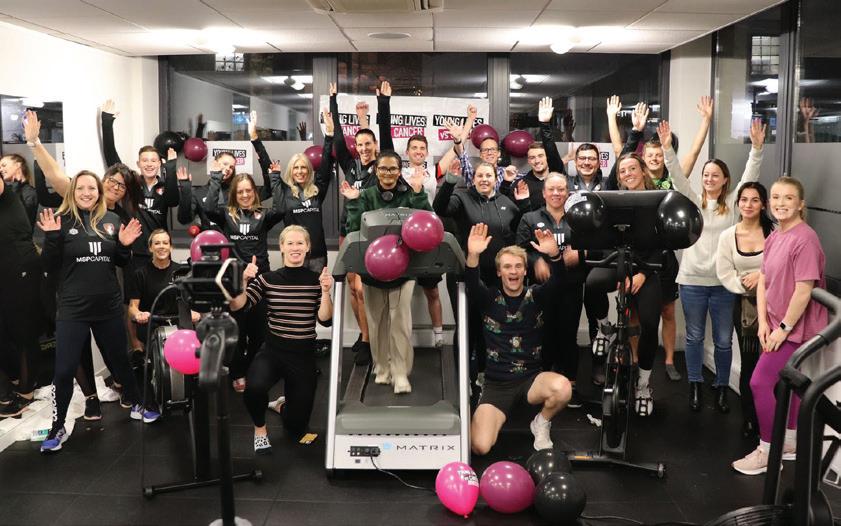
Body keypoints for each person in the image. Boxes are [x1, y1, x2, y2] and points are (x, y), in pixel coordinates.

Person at [37, 172, 159, 453]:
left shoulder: (111, 220)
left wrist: (125, 247)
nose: (86, 192)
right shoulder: (61, 220)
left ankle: (138, 403)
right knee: (64, 370)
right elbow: (48, 266)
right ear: (72, 191)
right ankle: (58, 426)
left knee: (120, 362)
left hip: (107, 306)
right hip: (73, 309)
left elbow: (119, 262)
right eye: (81, 188)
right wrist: (52, 238)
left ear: (99, 191)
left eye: (91, 188)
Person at [661, 118, 765, 412]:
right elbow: (677, 176)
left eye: (715, 175)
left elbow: (750, 177)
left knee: (722, 341)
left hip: (723, 285)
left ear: (724, 180)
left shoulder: (733, 205)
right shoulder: (693, 201)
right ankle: (695, 384)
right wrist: (668, 149)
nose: (709, 178)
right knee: (694, 337)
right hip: (692, 282)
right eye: (706, 174)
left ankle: (720, 387)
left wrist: (757, 149)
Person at [732, 177, 827, 475]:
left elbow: (803, 291)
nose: (780, 203)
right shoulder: (775, 236)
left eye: (788, 198)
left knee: (759, 383)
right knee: (789, 382)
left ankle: (767, 451)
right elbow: (763, 281)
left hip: (795, 329)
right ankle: (790, 442)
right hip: (773, 324)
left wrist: (782, 328)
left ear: (800, 204)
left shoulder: (805, 239)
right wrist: (763, 322)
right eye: (775, 197)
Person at [466, 223, 572, 454]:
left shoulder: (537, 296)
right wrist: (473, 255)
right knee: (480, 446)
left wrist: (555, 256)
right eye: (507, 267)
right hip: (497, 385)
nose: (513, 272)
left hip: (531, 380)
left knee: (563, 388)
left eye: (518, 266)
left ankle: (541, 422)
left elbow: (559, 282)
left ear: (525, 271)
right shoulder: (489, 299)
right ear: (499, 272)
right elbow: (472, 285)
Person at [229, 225, 333, 454]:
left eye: (300, 243)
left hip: (303, 356)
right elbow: (239, 306)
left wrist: (326, 292)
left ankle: (281, 405)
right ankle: (260, 430)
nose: (295, 248)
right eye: (290, 243)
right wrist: (243, 282)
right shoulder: (267, 279)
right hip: (273, 351)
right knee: (254, 388)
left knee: (295, 426)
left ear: (307, 247)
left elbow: (325, 320)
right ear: (282, 247)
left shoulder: (316, 281)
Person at [433, 160, 530, 392]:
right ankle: (463, 380)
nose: (484, 180)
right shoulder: (462, 197)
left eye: (488, 175)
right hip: (464, 275)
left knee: (491, 326)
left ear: (495, 178)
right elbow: (440, 208)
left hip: (495, 278)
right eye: (480, 176)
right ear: (473, 178)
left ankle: (485, 376)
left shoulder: (506, 202)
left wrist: (524, 204)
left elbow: (519, 232)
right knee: (466, 326)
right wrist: (449, 182)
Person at [342, 151, 431, 394]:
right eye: (383, 168)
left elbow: (425, 222)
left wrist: (418, 192)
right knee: (376, 322)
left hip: (404, 271)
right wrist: (353, 203)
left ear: (399, 171)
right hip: (372, 270)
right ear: (376, 170)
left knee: (400, 323)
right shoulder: (365, 195)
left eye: (393, 169)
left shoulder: (410, 193)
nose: (388, 173)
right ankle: (381, 367)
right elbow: (353, 229)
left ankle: (400, 372)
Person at [585, 153, 663, 416]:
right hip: (618, 261)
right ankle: (604, 329)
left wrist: (642, 275)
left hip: (647, 268)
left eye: (632, 168)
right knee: (592, 283)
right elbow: (607, 237)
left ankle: (643, 385)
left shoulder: (657, 200)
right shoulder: (614, 201)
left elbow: (662, 243)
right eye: (622, 171)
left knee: (649, 325)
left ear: (643, 170)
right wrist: (619, 269)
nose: (627, 174)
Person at [203, 167, 284, 392]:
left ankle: (252, 368)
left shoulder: (262, 215)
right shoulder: (226, 215)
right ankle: (237, 372)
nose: (245, 195)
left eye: (249, 191)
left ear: (255, 193)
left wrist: (275, 178)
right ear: (234, 195)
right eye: (240, 192)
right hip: (235, 279)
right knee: (236, 331)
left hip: (260, 279)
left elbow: (281, 208)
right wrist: (216, 177)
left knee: (259, 331)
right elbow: (208, 208)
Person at [330, 81, 395, 365]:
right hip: (349, 231)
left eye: (369, 143)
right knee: (352, 287)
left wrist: (383, 103)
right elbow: (337, 139)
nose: (365, 148)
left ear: (375, 146)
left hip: (373, 235)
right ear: (355, 147)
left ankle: (370, 340)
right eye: (360, 144)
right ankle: (364, 335)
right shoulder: (350, 165)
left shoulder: (382, 166)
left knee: (361, 289)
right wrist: (333, 100)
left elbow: (387, 135)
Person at [516, 173, 585, 408]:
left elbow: (594, 247)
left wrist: (581, 254)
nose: (556, 193)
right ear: (544, 193)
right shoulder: (530, 218)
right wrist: (536, 261)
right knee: (542, 335)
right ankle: (541, 385)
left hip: (571, 286)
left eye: (561, 189)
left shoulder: (578, 218)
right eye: (552, 189)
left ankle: (571, 385)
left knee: (568, 335)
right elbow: (520, 249)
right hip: (541, 288)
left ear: (568, 192)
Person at [716, 182, 775, 439]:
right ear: (737, 203)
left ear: (763, 205)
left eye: (754, 200)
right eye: (744, 199)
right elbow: (724, 272)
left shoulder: (774, 233)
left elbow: (782, 268)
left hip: (776, 304)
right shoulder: (728, 236)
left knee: (772, 364)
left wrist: (760, 277)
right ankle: (750, 418)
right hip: (744, 307)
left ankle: (772, 419)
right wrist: (745, 285)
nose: (748, 205)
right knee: (750, 364)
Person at [269, 108, 335, 273]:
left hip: (318, 255)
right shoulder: (285, 191)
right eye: (296, 167)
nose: (300, 171)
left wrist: (329, 135)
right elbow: (267, 166)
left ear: (309, 170)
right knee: (295, 289)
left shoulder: (317, 190)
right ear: (291, 171)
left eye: (303, 167)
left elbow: (326, 164)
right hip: (294, 254)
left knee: (318, 289)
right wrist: (256, 141)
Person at [0, 174, 42, 418]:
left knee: (25, 333)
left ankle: (26, 393)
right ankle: (16, 381)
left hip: (22, 271)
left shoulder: (8, 197)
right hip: (4, 274)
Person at [403, 134, 445, 348]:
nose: (418, 151)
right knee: (403, 293)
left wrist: (467, 126)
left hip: (429, 235)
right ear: (407, 152)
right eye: (414, 147)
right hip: (405, 235)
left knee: (432, 290)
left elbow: (455, 150)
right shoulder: (399, 174)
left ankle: (438, 334)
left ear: (427, 152)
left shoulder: (433, 173)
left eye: (422, 148)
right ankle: (404, 337)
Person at [0, 153, 38, 228]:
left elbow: (20, 218)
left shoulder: (31, 193)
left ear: (17, 165)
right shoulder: (6, 189)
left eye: (4, 165)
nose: (0, 170)